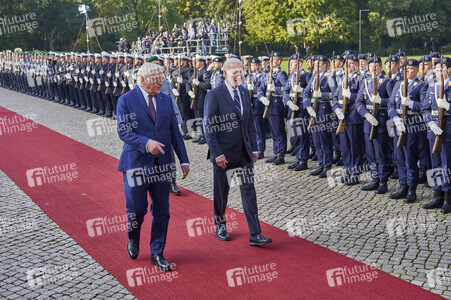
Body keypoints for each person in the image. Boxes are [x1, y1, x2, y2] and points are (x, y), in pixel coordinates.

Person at [117, 62, 190, 271]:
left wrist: (183, 159)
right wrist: (146, 143)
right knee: (136, 210)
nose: (161, 82)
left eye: (162, 78)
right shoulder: (126, 100)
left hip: (163, 166)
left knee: (162, 211)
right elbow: (124, 131)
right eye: (156, 79)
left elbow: (174, 132)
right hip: (136, 165)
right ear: (142, 80)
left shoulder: (166, 100)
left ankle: (157, 252)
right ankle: (133, 238)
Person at [203, 57, 272, 246]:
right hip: (223, 155)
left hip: (244, 153)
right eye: (235, 73)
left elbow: (249, 123)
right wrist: (217, 153)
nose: (239, 76)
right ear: (225, 73)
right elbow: (209, 127)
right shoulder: (214, 95)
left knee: (249, 191)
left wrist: (254, 148)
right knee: (221, 192)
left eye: (241, 72)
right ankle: (220, 225)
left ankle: (255, 233)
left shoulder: (243, 92)